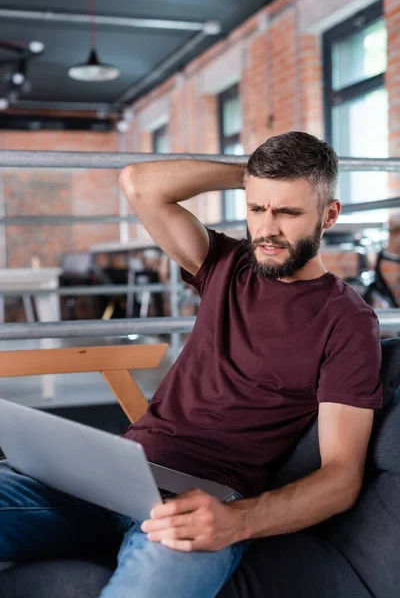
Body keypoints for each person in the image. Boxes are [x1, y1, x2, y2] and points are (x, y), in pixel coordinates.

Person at [0, 131, 382, 597]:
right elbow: (139, 183)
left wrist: (234, 523)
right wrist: (250, 174)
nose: (267, 229)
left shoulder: (347, 321)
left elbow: (341, 477)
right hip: (114, 474)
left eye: (288, 212)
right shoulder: (227, 264)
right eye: (257, 208)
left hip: (206, 498)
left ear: (329, 215)